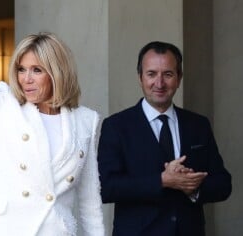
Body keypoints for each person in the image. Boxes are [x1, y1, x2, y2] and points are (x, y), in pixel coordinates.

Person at [0, 17, 105, 236]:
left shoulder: (86, 121)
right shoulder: (2, 104)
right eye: (21, 69)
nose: (26, 79)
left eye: (36, 70)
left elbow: (89, 203)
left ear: (57, 73)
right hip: (2, 230)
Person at [97, 41, 232, 236]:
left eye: (168, 74)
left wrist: (192, 188)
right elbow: (107, 188)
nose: (159, 83)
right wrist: (162, 180)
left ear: (179, 78)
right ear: (140, 77)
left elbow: (223, 184)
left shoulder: (198, 124)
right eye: (151, 74)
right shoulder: (116, 126)